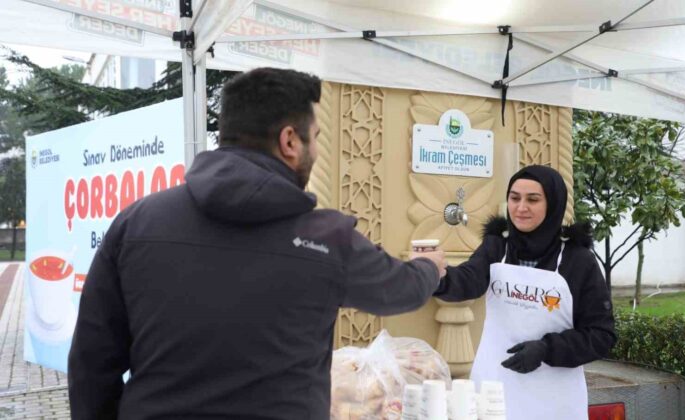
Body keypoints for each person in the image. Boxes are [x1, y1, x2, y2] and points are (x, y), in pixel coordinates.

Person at [68, 67, 447, 419]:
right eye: (314, 139)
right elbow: (401, 290)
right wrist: (430, 267)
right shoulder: (328, 239)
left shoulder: (137, 222)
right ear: (289, 141)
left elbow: (92, 362)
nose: (315, 151)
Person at [434, 165, 616, 420]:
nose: (521, 207)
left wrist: (547, 349)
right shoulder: (497, 247)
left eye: (533, 199)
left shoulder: (577, 260)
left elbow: (601, 335)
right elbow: (468, 281)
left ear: (553, 204)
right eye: (514, 198)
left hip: (554, 399)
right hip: (494, 390)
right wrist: (437, 276)